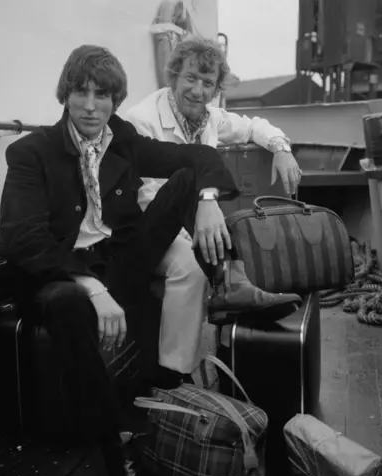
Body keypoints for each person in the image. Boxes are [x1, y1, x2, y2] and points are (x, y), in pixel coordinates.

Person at [0, 44, 282, 476]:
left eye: (103, 96)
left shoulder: (122, 138)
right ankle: (112, 449)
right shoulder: (30, 153)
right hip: (62, 271)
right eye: (82, 93)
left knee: (188, 180)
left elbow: (198, 157)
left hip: (119, 259)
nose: (92, 107)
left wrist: (207, 200)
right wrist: (92, 289)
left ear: (115, 100)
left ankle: (219, 297)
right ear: (65, 94)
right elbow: (23, 240)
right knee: (67, 304)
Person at [125, 36, 303, 379]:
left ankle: (176, 372)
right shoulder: (141, 119)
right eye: (190, 79)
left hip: (186, 229)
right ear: (173, 77)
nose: (198, 90)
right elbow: (149, 201)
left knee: (194, 267)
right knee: (206, 217)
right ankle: (231, 284)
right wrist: (205, 224)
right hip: (144, 231)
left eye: (207, 83)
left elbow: (252, 126)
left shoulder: (209, 119)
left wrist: (281, 148)